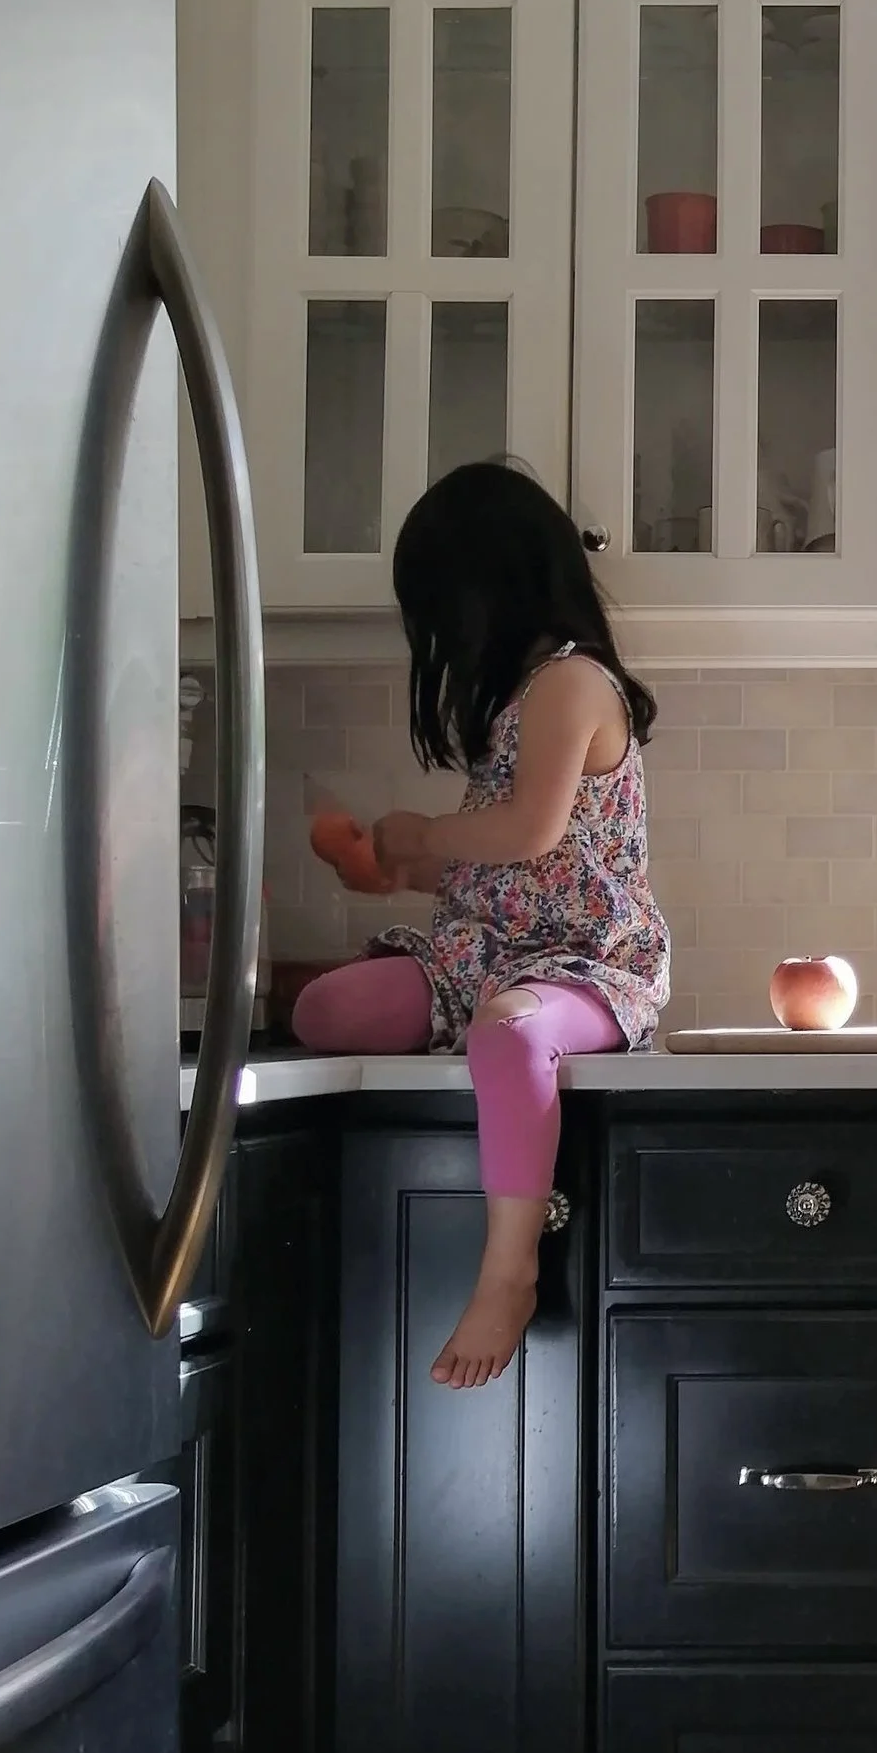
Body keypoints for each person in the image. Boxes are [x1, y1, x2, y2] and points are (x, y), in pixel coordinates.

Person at [291, 464, 669, 1390]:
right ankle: (491, 1061)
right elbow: (506, 864)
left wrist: (425, 834)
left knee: (508, 1031)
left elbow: (533, 830)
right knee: (323, 1012)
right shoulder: (518, 697)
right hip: (485, 956)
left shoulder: (572, 680)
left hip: (585, 964)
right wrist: (396, 866)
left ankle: (509, 1270)